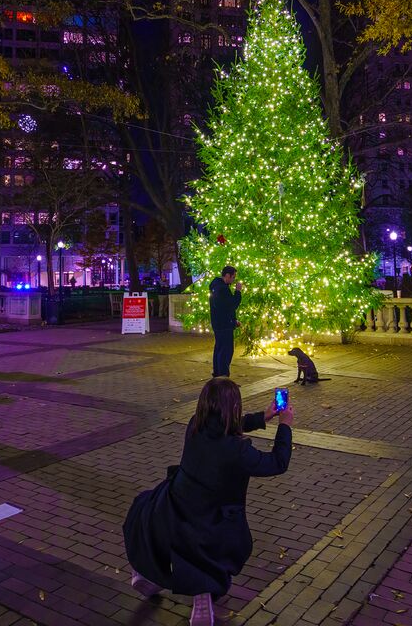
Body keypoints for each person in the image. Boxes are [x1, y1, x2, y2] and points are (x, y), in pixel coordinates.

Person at [124, 378, 293, 626]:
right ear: (233, 408)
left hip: (172, 508)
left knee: (151, 517)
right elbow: (277, 463)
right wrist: (285, 425)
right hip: (211, 521)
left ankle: (148, 574)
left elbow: (227, 425)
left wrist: (263, 416)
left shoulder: (195, 426)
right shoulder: (238, 451)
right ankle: (202, 598)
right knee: (216, 551)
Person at [209, 266, 242, 377]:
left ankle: (218, 375)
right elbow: (231, 305)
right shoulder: (222, 289)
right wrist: (237, 292)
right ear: (227, 275)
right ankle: (223, 378)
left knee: (219, 348)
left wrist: (234, 320)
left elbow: (224, 308)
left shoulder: (217, 287)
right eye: (233, 277)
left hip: (219, 323)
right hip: (224, 325)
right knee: (226, 351)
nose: (233, 280)